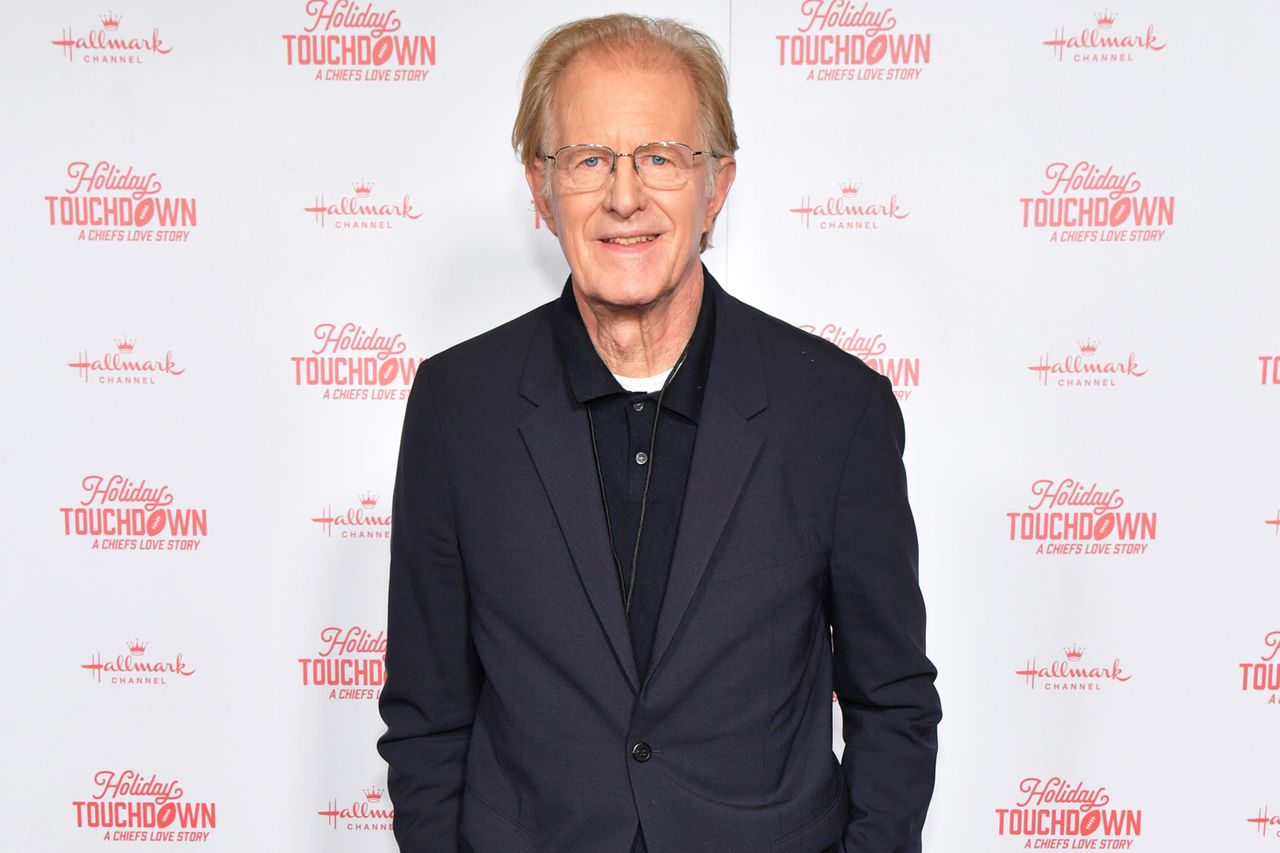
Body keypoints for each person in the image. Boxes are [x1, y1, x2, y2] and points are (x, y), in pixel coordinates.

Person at [378, 14, 940, 853]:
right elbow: (427, 714)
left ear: (717, 184)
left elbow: (891, 700)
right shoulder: (458, 407)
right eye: (590, 159)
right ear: (541, 187)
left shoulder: (837, 410)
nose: (625, 196)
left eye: (661, 158)